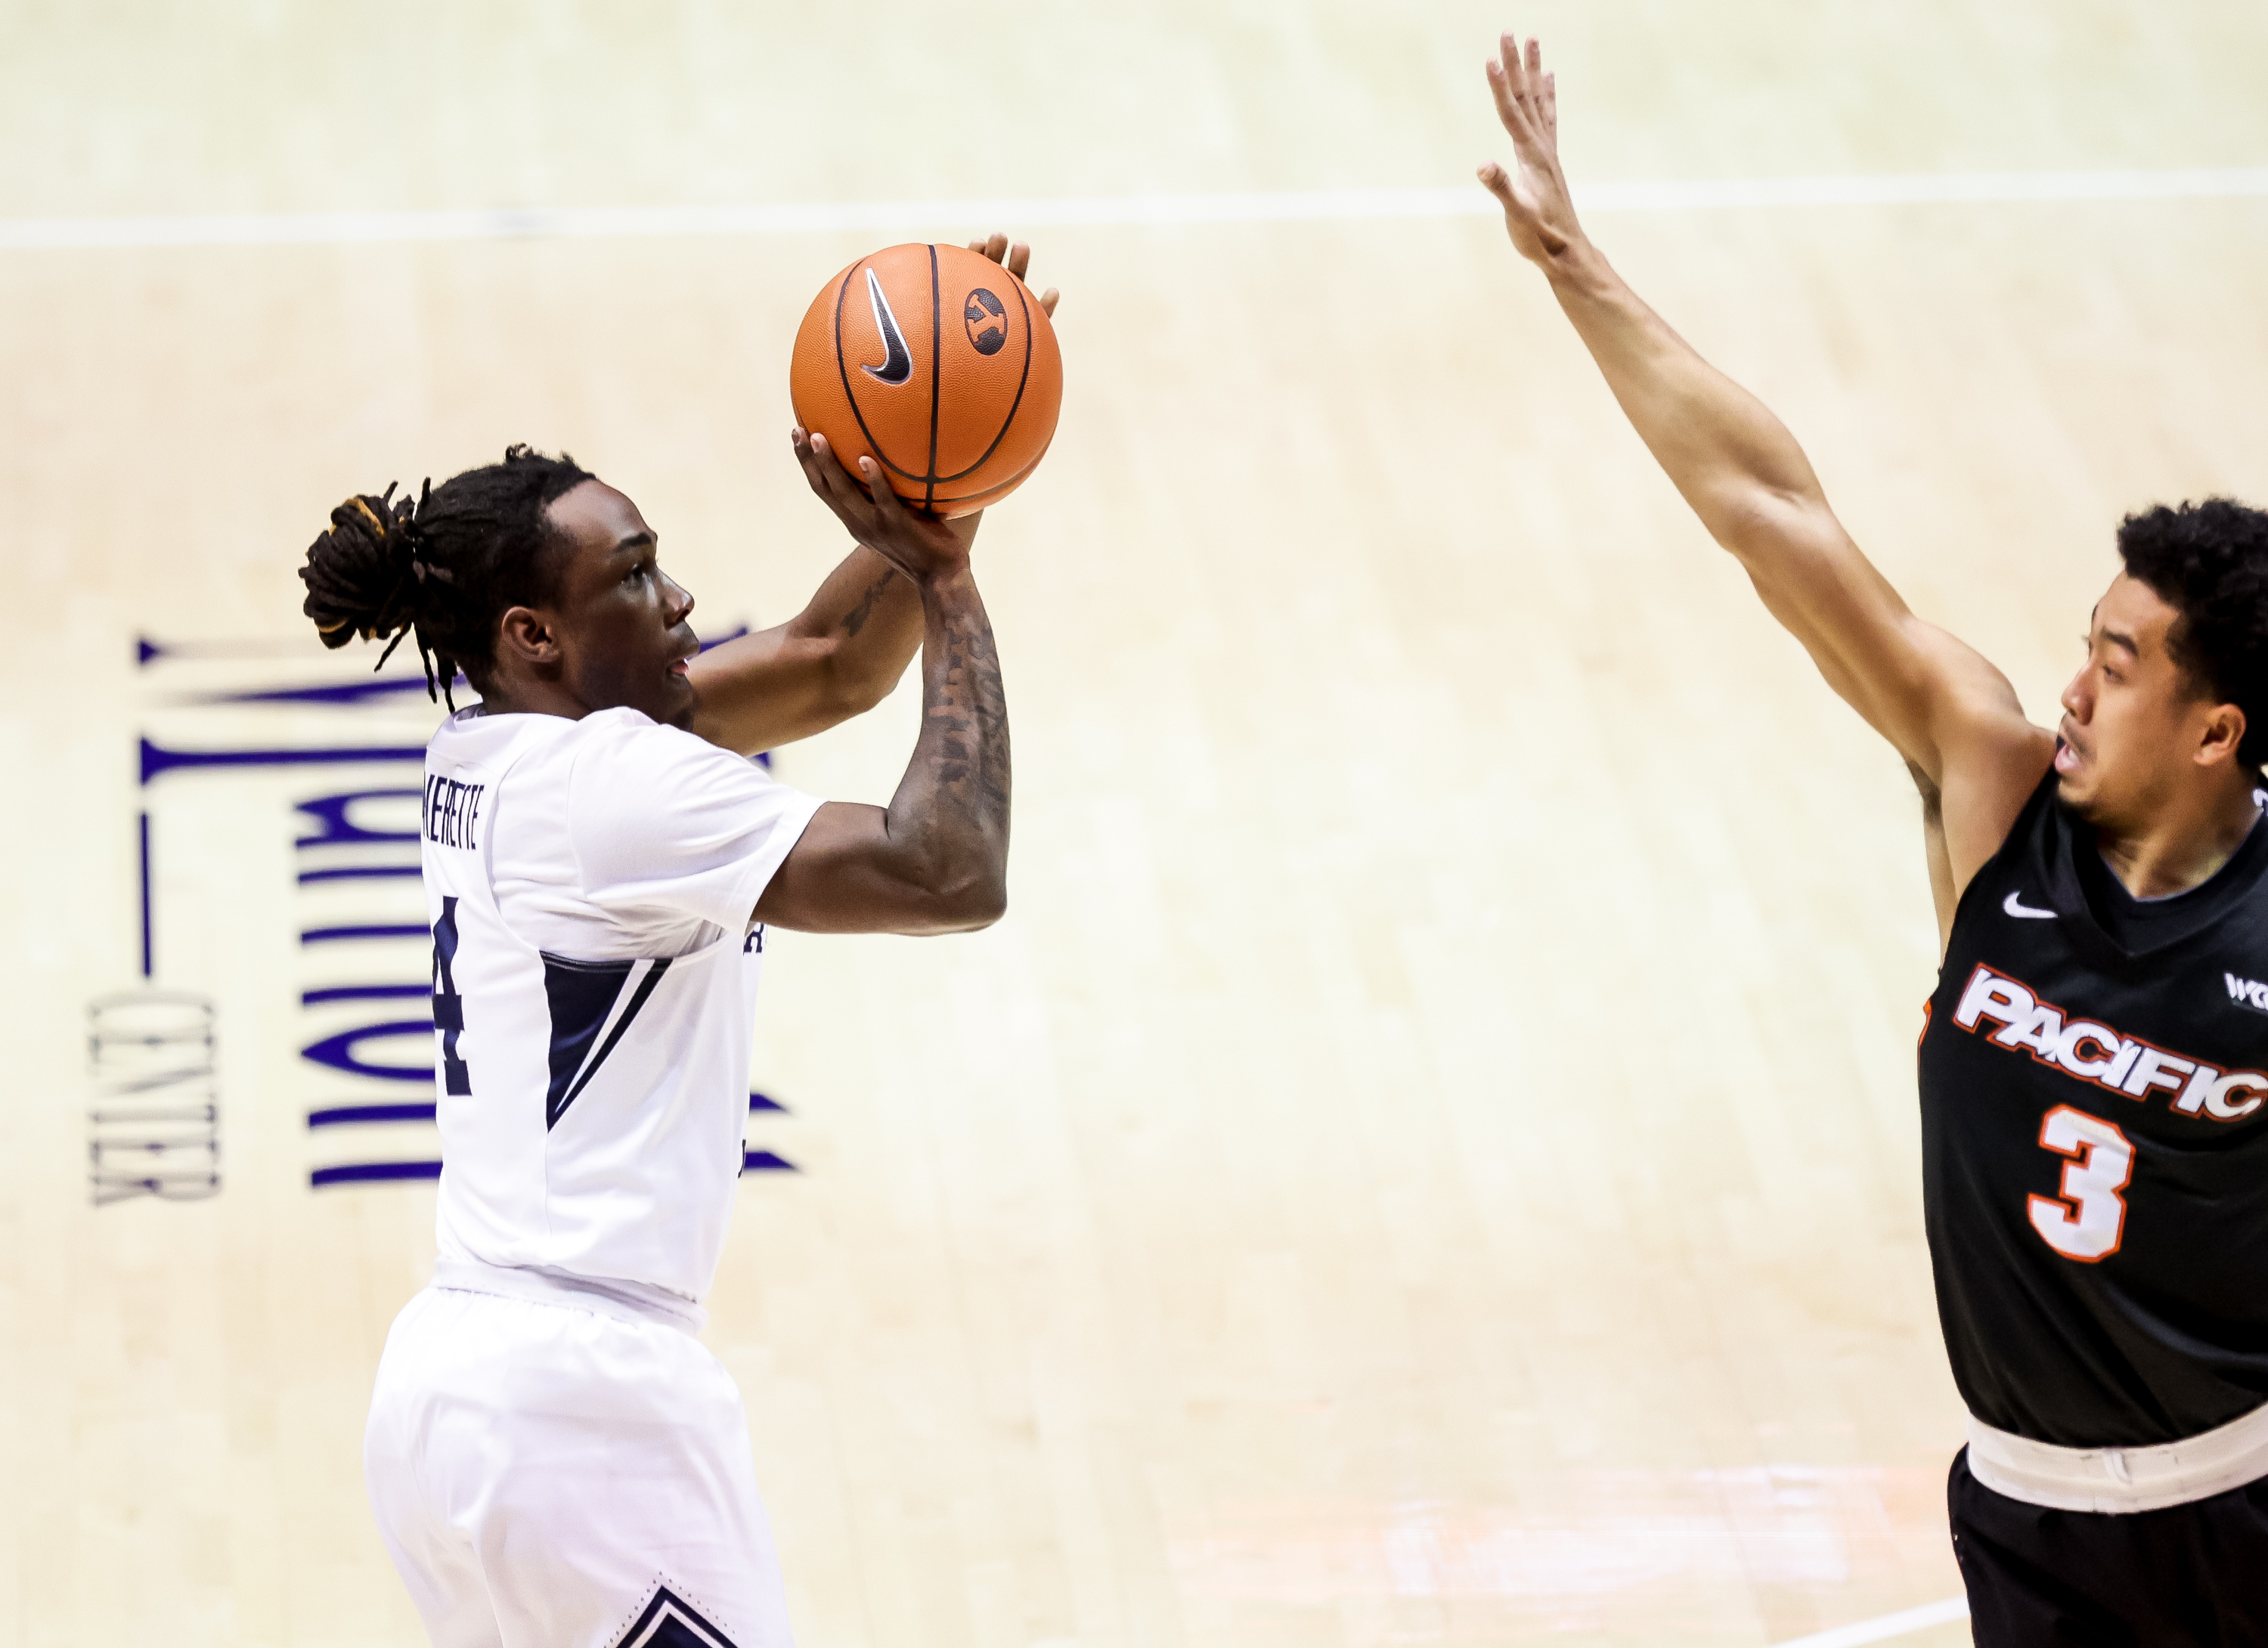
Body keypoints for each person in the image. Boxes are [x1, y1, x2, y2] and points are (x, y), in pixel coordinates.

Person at [1475, 34, 2268, 1642]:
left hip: (2242, 1501)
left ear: (2216, 731)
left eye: (2118, 668)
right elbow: (1776, 510)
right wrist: (1577, 267)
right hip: (2030, 1510)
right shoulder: (1993, 793)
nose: (2070, 688)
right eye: (2084, 640)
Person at [297, 238, 1055, 1648]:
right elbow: (948, 871)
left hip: (459, 1399)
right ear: (534, 632)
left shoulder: (503, 749)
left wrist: (937, 490)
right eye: (637, 579)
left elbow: (835, 663)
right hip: (585, 1416)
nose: (685, 603)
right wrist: (946, 584)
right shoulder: (612, 792)